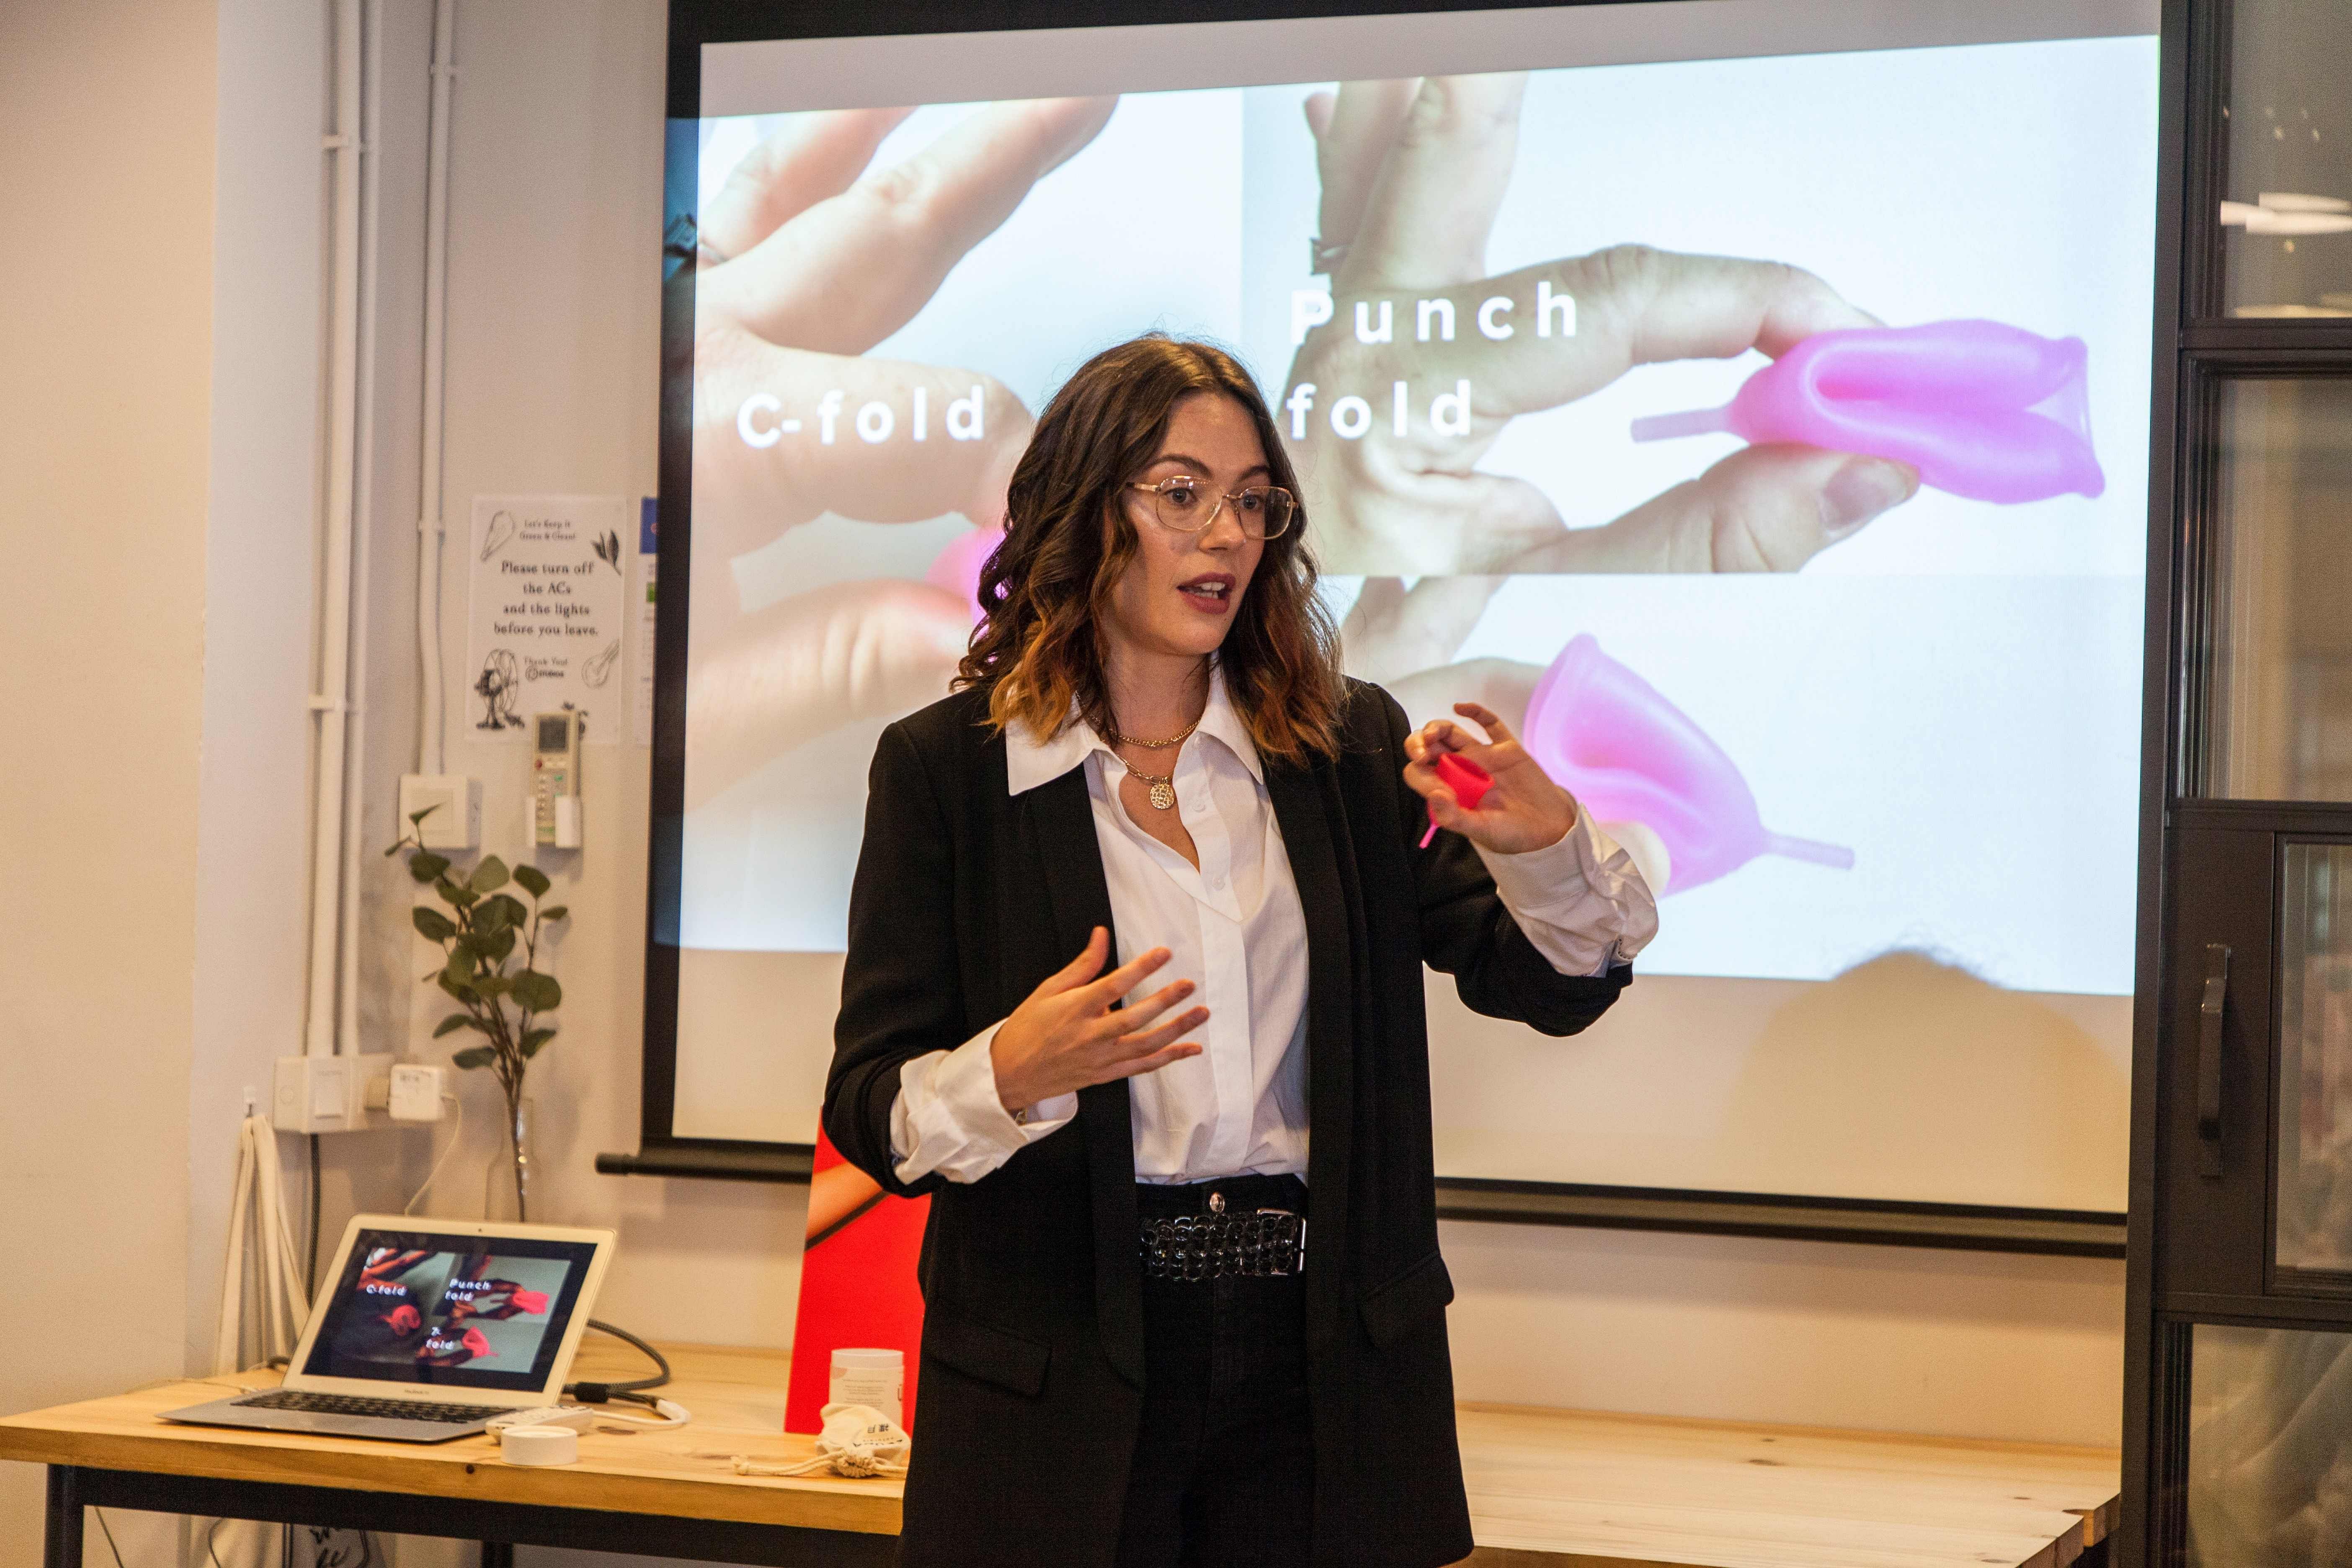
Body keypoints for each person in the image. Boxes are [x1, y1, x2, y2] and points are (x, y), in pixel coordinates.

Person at [823, 334, 1657, 1568]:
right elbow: (871, 1113)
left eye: (1253, 501)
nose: (1224, 534)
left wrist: (1542, 845)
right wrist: (1013, 1068)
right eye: (1181, 495)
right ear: (1081, 506)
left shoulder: (1342, 749)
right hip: (1058, 1377)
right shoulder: (948, 771)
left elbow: (1550, 983)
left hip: (1315, 1367)